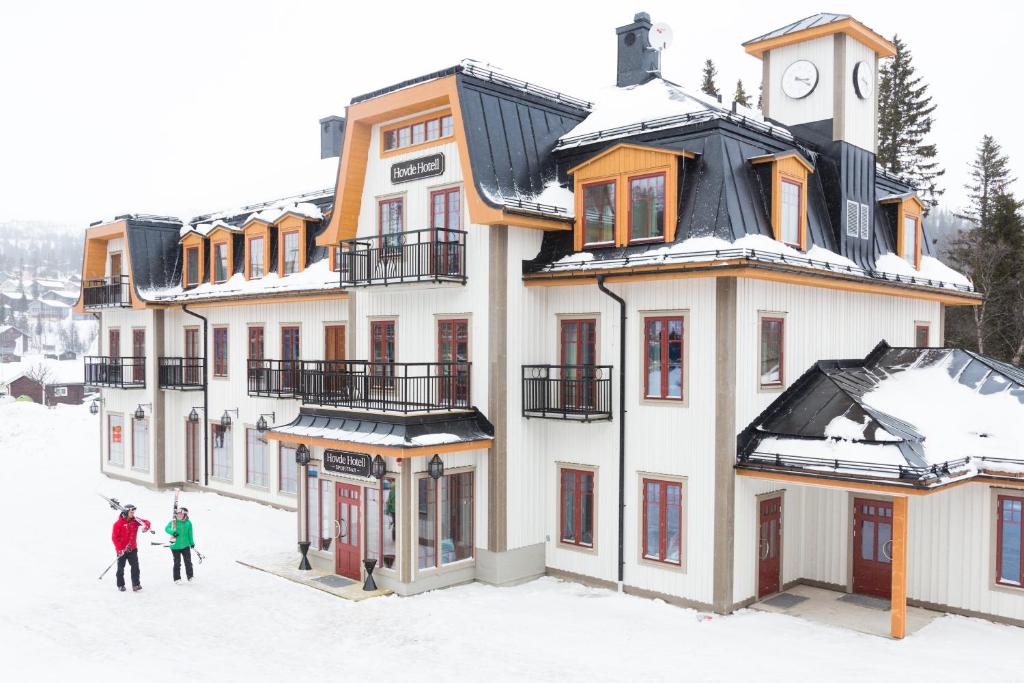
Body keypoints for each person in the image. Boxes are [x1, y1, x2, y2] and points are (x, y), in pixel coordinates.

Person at [111, 504, 151, 592]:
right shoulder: (118, 524)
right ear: (126, 512)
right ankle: (121, 585)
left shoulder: (135, 521)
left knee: (135, 567)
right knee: (121, 568)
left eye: (133, 512)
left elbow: (146, 522)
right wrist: (120, 549)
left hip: (133, 548)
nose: (133, 514)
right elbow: (114, 538)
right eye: (131, 512)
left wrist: (146, 527)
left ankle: (136, 584)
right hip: (122, 550)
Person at [165, 507, 195, 583]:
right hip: (175, 546)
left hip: (185, 545)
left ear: (185, 515)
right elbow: (166, 528)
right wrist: (172, 532)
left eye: (181, 514)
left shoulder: (188, 523)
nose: (179, 515)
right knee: (177, 563)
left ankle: (190, 576)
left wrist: (192, 543)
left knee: (188, 562)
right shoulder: (174, 521)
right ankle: (177, 578)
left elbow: (190, 534)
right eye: (178, 514)